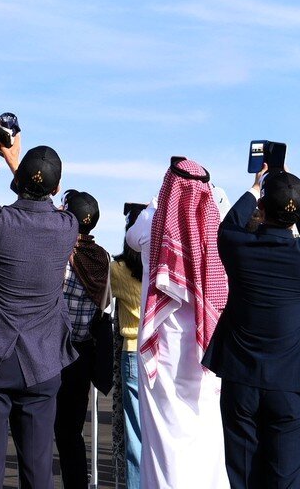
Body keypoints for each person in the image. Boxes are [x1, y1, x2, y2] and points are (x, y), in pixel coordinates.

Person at [0, 129, 78, 489]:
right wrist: (20, 167)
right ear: (57, 190)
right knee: (38, 467)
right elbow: (44, 203)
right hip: (42, 361)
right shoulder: (67, 227)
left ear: (17, 183)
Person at [206, 164, 300, 489]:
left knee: (242, 474)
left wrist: (256, 186)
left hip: (240, 379)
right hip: (291, 382)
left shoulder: (238, 247)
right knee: (284, 478)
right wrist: (293, 193)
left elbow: (229, 224)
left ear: (261, 209)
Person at [127, 158, 230, 489]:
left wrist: (161, 203)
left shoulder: (152, 223)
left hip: (165, 350)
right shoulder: (217, 233)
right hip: (206, 347)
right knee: (204, 434)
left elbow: (132, 237)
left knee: (164, 438)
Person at [54, 188, 110, 489]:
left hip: (52, 351)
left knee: (36, 426)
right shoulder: (101, 257)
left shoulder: (62, 252)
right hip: (82, 355)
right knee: (71, 432)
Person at [111, 206, 146, 489]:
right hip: (163, 353)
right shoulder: (162, 265)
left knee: (135, 437)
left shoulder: (119, 269)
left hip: (132, 349)